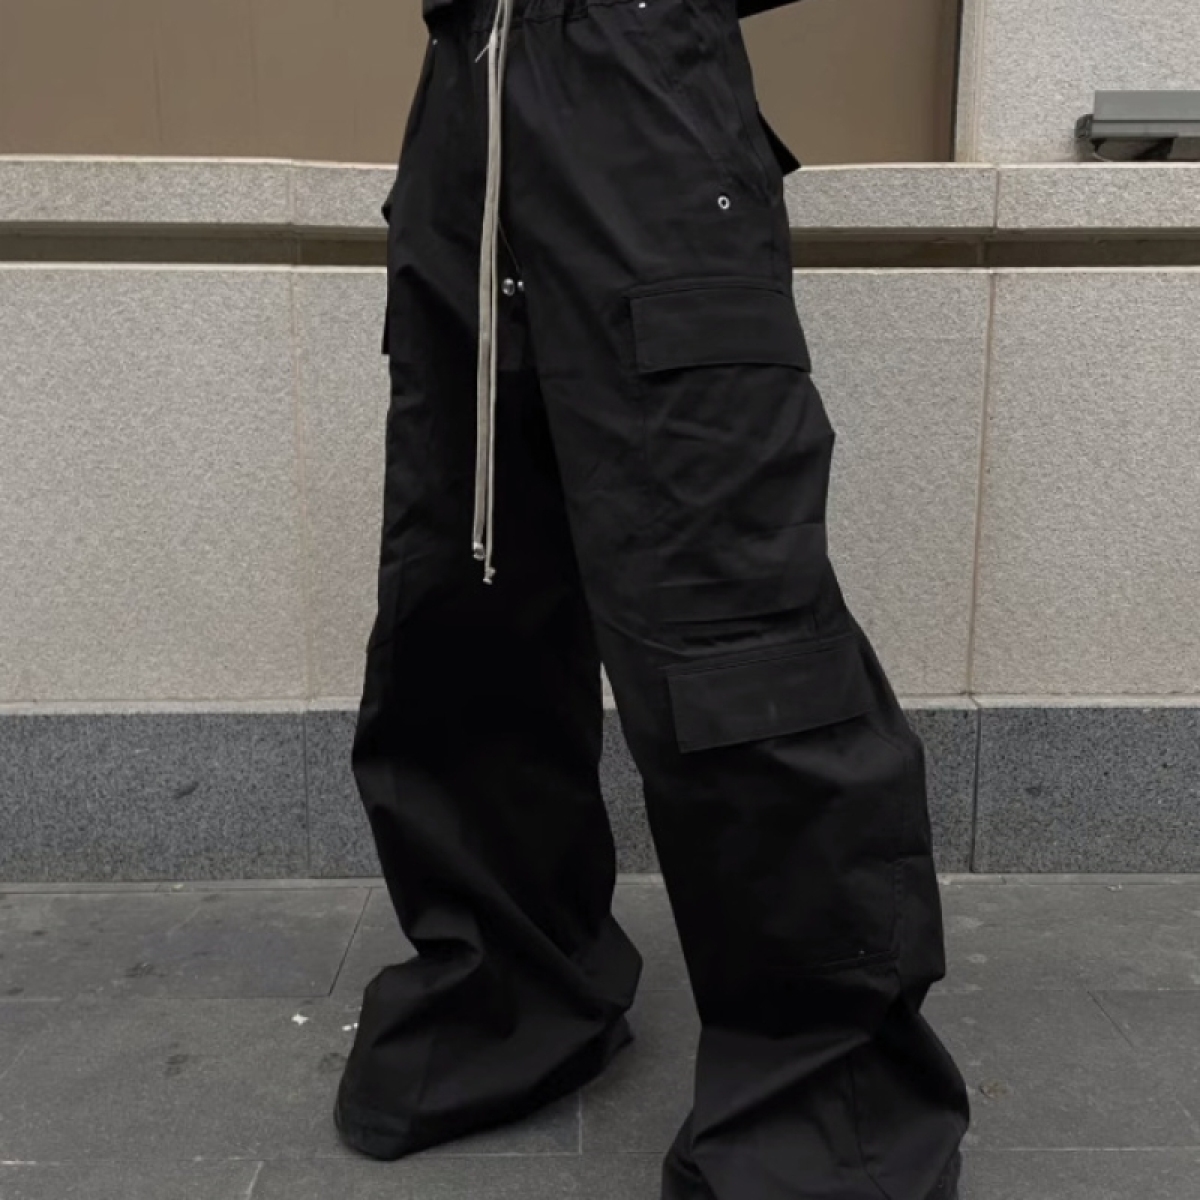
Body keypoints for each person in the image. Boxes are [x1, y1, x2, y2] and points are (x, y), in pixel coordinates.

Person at [335, 0, 970, 1194]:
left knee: (730, 633)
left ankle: (831, 1114)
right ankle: (512, 990)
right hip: (465, 96)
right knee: (461, 616)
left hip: (638, 92)